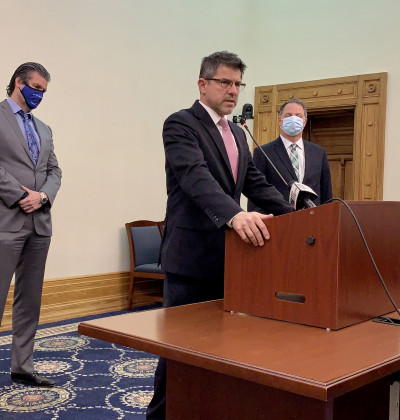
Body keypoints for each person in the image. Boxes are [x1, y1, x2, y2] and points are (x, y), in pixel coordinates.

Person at [146, 51, 294, 420]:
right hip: (191, 257)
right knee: (181, 351)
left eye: (238, 84)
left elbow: (255, 183)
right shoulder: (181, 124)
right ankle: (161, 415)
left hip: (232, 259)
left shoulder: (237, 134)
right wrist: (235, 214)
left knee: (223, 347)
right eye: (225, 82)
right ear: (203, 84)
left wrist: (299, 217)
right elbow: (196, 178)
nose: (233, 91)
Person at [0, 62, 62, 410]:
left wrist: (43, 196)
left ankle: (23, 366)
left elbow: (54, 169)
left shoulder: (44, 128)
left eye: (44, 91)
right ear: (18, 83)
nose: (39, 94)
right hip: (4, 220)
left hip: (39, 223)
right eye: (35, 87)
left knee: (29, 300)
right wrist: (21, 196)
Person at [248, 98, 333, 212]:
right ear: (280, 121)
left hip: (313, 221)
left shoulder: (319, 152)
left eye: (298, 116)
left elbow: (326, 193)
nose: (294, 119)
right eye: (288, 115)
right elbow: (256, 193)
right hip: (277, 221)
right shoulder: (263, 152)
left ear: (305, 121)